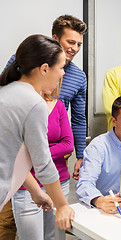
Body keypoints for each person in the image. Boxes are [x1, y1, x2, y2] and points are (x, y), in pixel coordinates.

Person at [0, 34, 74, 231]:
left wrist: (36, 191)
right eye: (60, 67)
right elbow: (42, 163)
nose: (63, 74)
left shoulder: (7, 92)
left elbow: (12, 156)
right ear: (44, 69)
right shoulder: (34, 103)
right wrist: (62, 206)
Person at [5, 14, 88, 180]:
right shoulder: (22, 60)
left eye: (79, 44)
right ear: (55, 39)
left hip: (55, 149)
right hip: (18, 146)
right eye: (70, 42)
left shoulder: (79, 77)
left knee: (52, 199)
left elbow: (78, 119)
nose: (75, 48)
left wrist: (81, 155)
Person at [12, 78, 74, 239]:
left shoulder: (58, 106)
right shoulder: (17, 107)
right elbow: (14, 151)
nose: (61, 75)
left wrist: (35, 152)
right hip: (27, 186)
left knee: (54, 237)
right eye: (58, 70)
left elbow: (68, 144)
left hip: (59, 182)